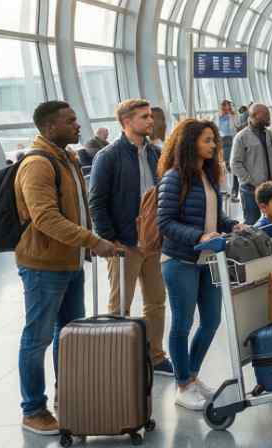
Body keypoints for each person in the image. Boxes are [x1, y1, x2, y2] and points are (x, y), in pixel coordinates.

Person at [14, 101, 119, 436]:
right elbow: (44, 217)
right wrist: (92, 241)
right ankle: (33, 409)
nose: (78, 125)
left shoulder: (67, 157)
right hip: (44, 266)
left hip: (69, 262)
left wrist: (90, 241)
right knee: (37, 337)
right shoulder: (37, 164)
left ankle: (69, 393)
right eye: (70, 121)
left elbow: (77, 210)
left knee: (70, 334)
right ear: (49, 127)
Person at [157, 118, 240, 411]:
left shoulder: (208, 175)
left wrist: (232, 225)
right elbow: (165, 223)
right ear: (190, 142)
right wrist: (200, 235)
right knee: (182, 323)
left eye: (213, 140)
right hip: (181, 260)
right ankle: (182, 384)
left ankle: (191, 376)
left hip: (207, 260)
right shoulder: (174, 177)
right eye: (207, 140)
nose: (213, 145)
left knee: (211, 320)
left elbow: (214, 218)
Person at [87, 99, 172, 376]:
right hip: (125, 243)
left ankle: (155, 356)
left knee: (156, 302)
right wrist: (110, 239)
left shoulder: (155, 154)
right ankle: (117, 358)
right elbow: (97, 201)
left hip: (153, 242)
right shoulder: (108, 156)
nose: (151, 121)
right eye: (144, 117)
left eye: (151, 116)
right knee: (120, 304)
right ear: (127, 122)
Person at [229, 104, 272, 225]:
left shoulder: (270, 134)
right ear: (254, 116)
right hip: (250, 189)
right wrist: (250, 181)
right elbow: (235, 163)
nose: (269, 118)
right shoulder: (241, 137)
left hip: (270, 189)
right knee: (252, 222)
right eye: (266, 115)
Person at [216, 100, 236, 198]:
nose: (225, 109)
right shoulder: (217, 118)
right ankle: (226, 189)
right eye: (223, 107)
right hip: (220, 142)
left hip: (230, 141)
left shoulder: (232, 117)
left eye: (227, 107)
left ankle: (232, 190)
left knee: (229, 166)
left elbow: (234, 130)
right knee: (223, 166)